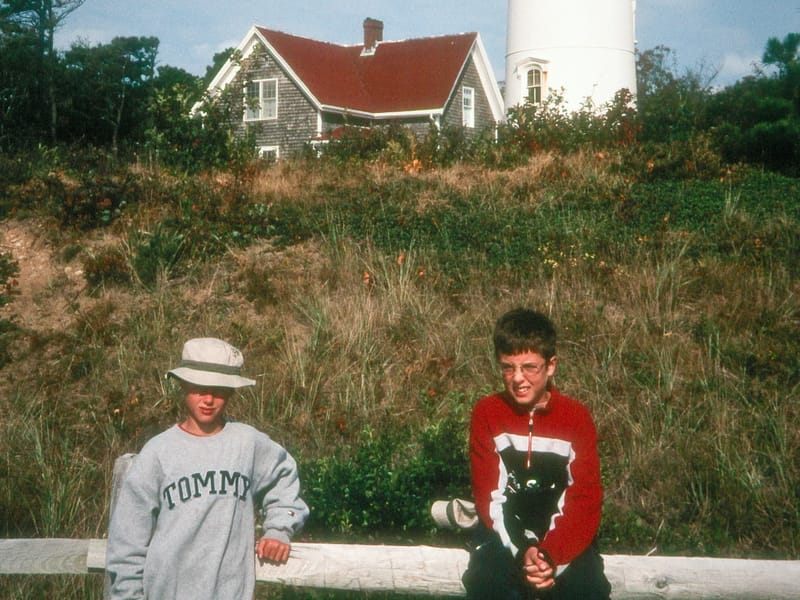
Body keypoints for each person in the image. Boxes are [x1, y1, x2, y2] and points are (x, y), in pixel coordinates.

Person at [106, 337, 309, 599]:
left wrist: (279, 529)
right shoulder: (158, 452)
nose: (209, 399)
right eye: (199, 388)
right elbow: (128, 540)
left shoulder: (247, 443)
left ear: (232, 392)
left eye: (219, 389)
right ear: (182, 386)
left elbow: (283, 478)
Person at [463, 308, 610, 599]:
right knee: (486, 583)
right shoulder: (487, 413)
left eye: (529, 367)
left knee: (589, 588)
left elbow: (584, 499)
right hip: (506, 537)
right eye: (508, 367)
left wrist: (550, 556)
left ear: (551, 365)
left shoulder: (576, 418)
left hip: (564, 539)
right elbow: (490, 496)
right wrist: (524, 550)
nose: (518, 378)